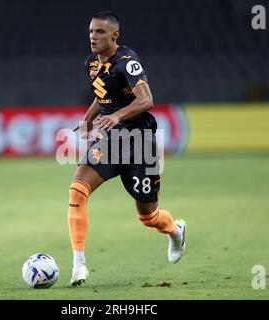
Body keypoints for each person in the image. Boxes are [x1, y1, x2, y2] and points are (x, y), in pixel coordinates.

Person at [68, 11, 186, 286]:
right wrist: (87, 120)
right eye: (90, 32)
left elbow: (146, 100)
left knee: (148, 217)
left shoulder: (127, 62)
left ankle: (176, 231)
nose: (93, 37)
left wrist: (118, 116)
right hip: (110, 141)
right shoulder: (91, 63)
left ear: (114, 35)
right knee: (77, 189)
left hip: (140, 141)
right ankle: (79, 266)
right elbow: (102, 96)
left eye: (99, 32)